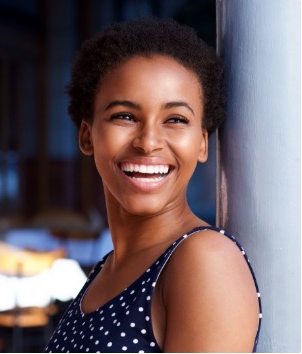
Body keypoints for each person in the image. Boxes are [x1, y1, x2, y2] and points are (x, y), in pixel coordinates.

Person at [44, 17, 262, 353]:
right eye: (125, 116)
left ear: (202, 143)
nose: (148, 142)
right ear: (87, 136)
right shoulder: (106, 270)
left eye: (175, 120)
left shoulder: (204, 260)